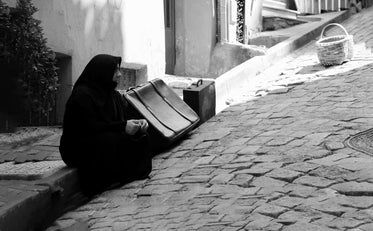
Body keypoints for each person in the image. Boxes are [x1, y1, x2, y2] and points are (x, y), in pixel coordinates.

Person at [59, 54, 152, 196]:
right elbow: (90, 127)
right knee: (110, 140)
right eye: (115, 71)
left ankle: (127, 174)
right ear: (103, 73)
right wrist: (122, 127)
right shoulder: (82, 95)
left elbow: (120, 120)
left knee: (141, 136)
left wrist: (138, 123)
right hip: (79, 146)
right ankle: (104, 181)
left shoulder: (111, 94)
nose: (119, 75)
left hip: (104, 135)